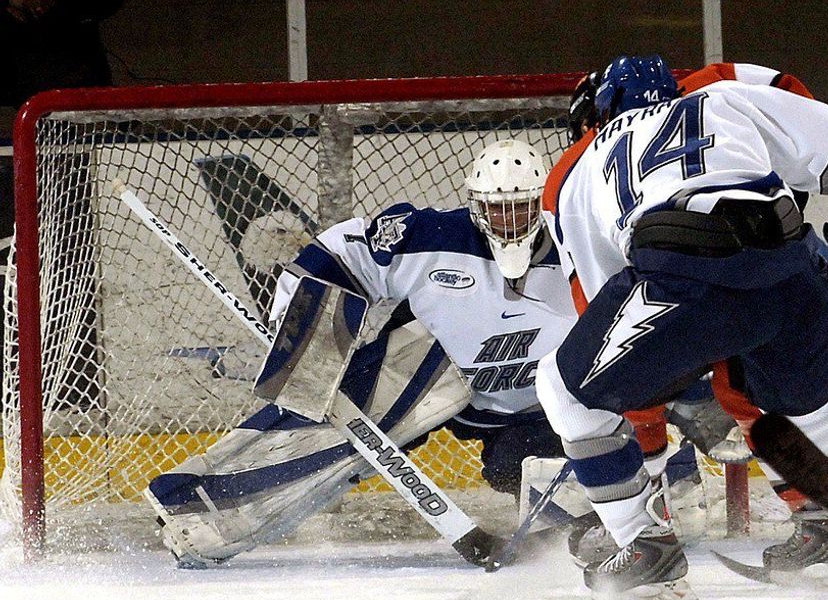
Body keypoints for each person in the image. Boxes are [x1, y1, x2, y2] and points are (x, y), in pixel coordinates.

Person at [146, 139, 708, 568]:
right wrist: (300, 325)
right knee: (332, 417)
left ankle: (664, 481)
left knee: (520, 469)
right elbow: (339, 251)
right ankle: (207, 506)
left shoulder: (583, 241)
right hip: (450, 384)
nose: (508, 221)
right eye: (496, 208)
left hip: (548, 411)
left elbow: (661, 325)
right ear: (473, 204)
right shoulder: (428, 235)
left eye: (520, 208)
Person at [536, 54, 828, 600]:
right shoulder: (723, 98)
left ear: (599, 111)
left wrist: (658, 371)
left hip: (684, 278)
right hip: (792, 270)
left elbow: (603, 295)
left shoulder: (576, 164)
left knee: (563, 389)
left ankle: (644, 548)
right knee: (819, 411)